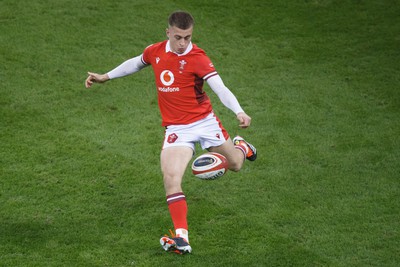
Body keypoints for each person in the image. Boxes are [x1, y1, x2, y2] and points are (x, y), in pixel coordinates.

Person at [85, 11, 257, 254]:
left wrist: (239, 111)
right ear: (168, 33)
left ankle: (241, 147)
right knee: (171, 179)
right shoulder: (155, 51)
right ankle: (182, 238)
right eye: (178, 37)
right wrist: (106, 76)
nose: (183, 43)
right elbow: (136, 62)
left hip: (205, 123)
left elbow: (220, 88)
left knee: (236, 164)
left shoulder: (198, 58)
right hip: (177, 129)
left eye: (187, 37)